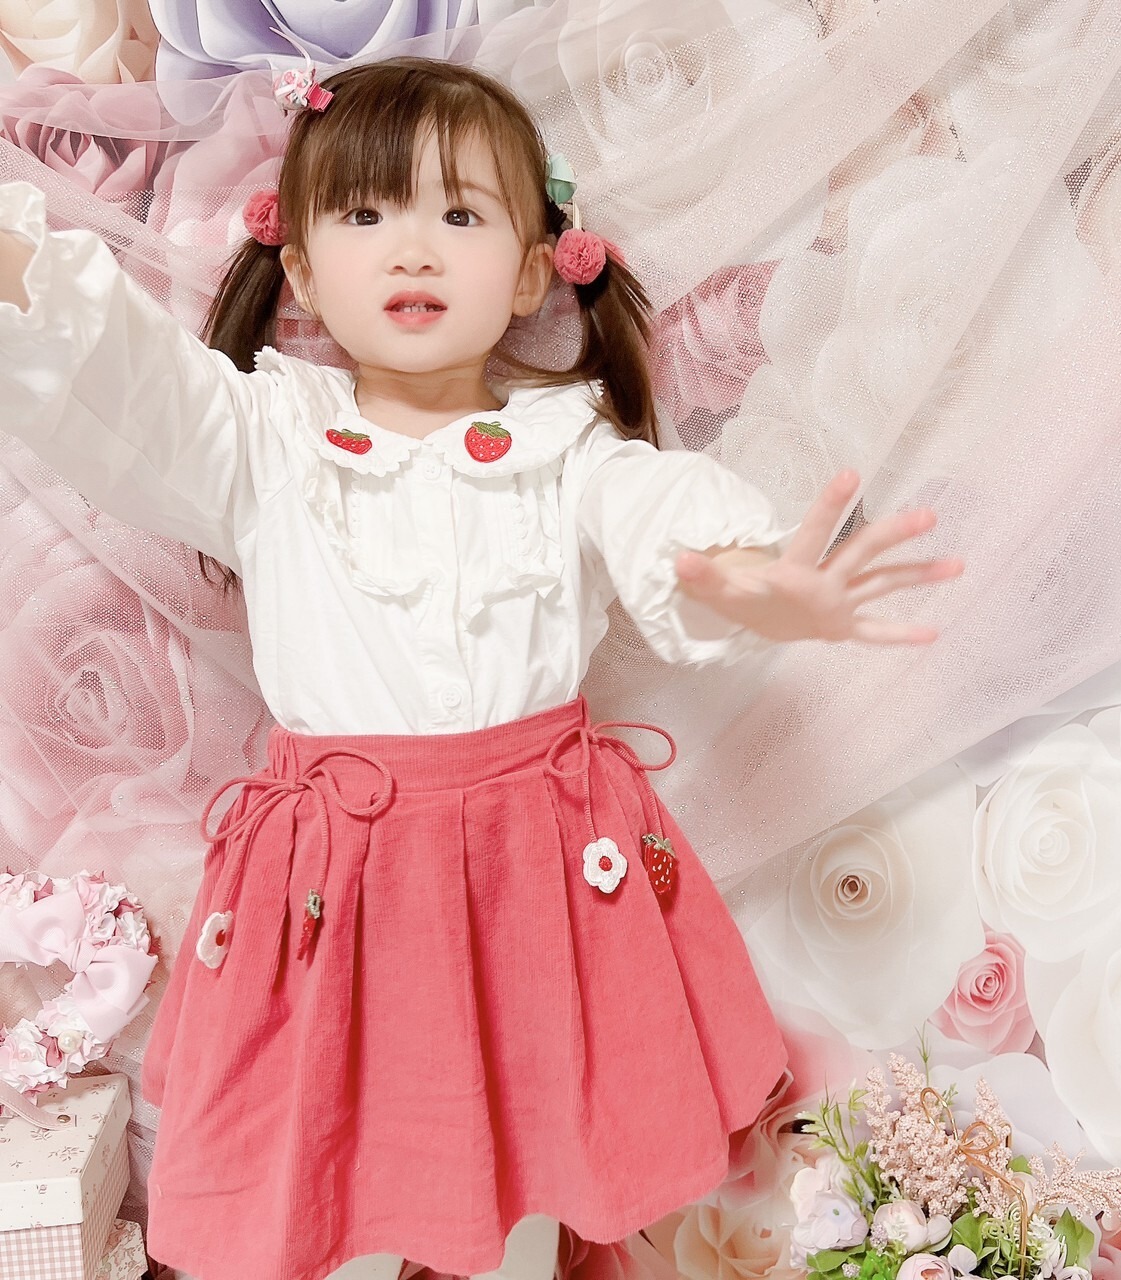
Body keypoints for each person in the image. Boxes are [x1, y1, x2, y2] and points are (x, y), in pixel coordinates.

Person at [0, 55, 962, 1280]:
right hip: (336, 887)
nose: (412, 248)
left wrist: (753, 581)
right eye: (364, 214)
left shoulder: (565, 446)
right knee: (334, 1171)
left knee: (527, 1171)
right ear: (302, 266)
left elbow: (660, 520)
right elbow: (119, 378)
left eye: (458, 214)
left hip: (535, 869)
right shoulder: (263, 433)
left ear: (525, 269)